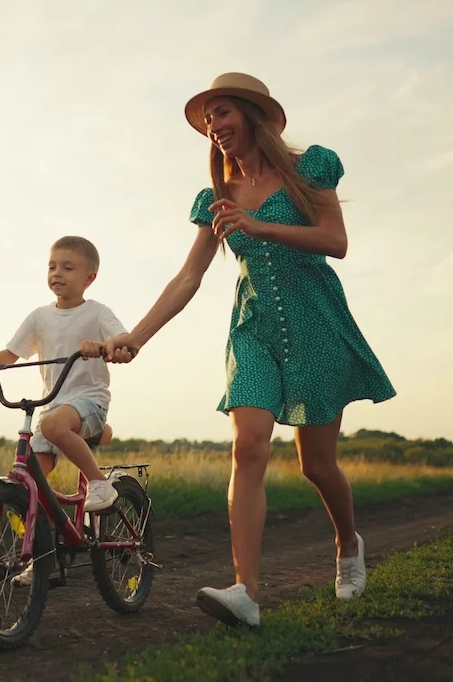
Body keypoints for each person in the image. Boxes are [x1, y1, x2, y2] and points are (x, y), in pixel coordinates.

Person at [103, 73, 396, 627]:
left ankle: (347, 543)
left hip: (315, 322)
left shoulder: (311, 167)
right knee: (250, 448)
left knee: (318, 465)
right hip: (254, 329)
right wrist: (136, 336)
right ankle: (247, 593)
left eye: (221, 114)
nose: (214, 128)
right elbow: (189, 276)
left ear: (252, 115)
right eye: (207, 121)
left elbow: (337, 241)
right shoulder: (217, 199)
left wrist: (260, 227)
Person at [0, 236, 129, 516]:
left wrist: (103, 346)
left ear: (89, 277)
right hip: (52, 407)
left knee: (52, 426)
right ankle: (40, 546)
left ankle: (99, 482)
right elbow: (11, 354)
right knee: (31, 480)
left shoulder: (97, 313)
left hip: (89, 401)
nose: (57, 273)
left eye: (67, 268)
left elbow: (122, 337)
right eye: (52, 267)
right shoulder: (39, 317)